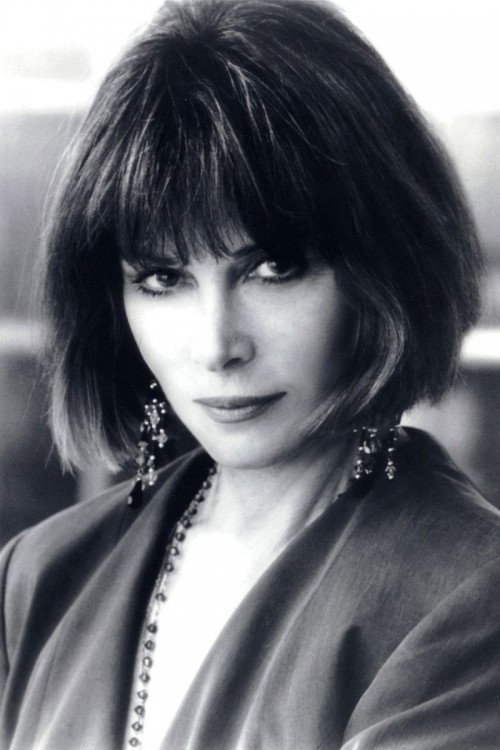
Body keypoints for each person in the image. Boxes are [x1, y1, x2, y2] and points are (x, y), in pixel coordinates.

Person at [1, 0, 500, 748]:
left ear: (383, 268)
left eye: (274, 268)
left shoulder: (469, 595)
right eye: (163, 278)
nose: (216, 345)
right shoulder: (39, 578)